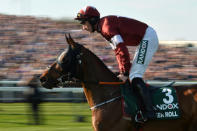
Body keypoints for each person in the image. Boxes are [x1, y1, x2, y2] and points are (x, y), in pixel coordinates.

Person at [74, 6, 159, 120]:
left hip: (148, 37)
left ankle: (150, 112)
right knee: (131, 75)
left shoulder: (106, 28)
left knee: (134, 76)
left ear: (92, 20)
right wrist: (122, 71)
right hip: (145, 37)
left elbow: (121, 49)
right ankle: (140, 109)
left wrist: (124, 72)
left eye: (83, 23)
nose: (83, 27)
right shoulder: (103, 27)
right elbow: (118, 52)